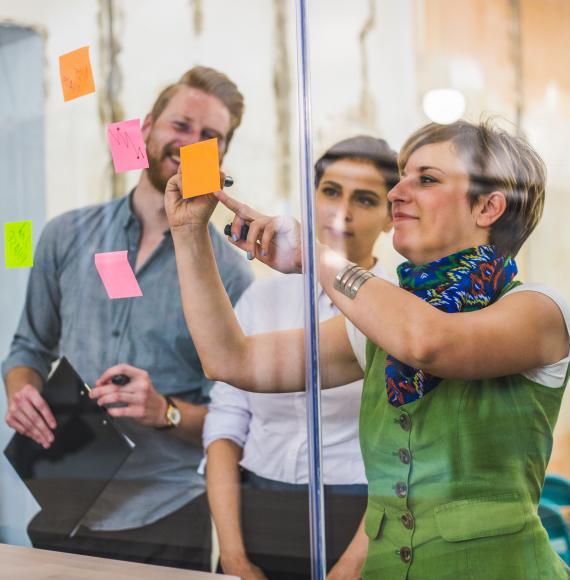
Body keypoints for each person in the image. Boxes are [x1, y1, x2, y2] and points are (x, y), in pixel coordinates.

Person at [165, 119, 570, 579]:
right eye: (401, 178)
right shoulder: (380, 322)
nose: (397, 193)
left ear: (489, 207)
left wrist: (315, 254)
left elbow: (429, 343)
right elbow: (230, 360)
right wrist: (189, 234)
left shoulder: (540, 309)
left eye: (427, 179)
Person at [2, 66, 253, 570]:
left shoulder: (230, 273)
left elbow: (237, 418)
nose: (190, 144)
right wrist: (21, 390)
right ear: (145, 132)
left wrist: (166, 411)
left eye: (210, 137)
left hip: (165, 513)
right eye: (180, 125)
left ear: (221, 157)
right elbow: (28, 348)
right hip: (61, 494)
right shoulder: (64, 235)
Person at [204, 136, 397, 580]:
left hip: (361, 517)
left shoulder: (397, 308)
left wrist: (348, 571)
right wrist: (233, 558)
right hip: (254, 509)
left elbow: (405, 456)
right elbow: (226, 423)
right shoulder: (263, 296)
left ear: (390, 217)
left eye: (365, 199)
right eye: (331, 191)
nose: (341, 211)